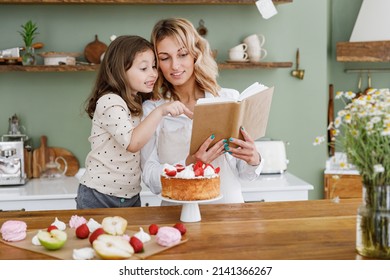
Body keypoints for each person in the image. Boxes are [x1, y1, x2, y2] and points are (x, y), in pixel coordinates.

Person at [141, 18, 263, 204]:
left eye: (182, 54)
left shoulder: (229, 98)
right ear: (157, 63)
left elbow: (246, 174)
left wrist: (253, 159)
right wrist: (188, 165)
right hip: (176, 213)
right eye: (165, 58)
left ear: (195, 54)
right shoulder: (153, 109)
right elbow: (149, 176)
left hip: (228, 211)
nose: (175, 66)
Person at [77, 35, 191, 209]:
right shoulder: (110, 101)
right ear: (119, 71)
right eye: (144, 68)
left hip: (129, 195)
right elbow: (132, 142)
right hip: (99, 195)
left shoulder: (136, 101)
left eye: (154, 66)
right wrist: (160, 110)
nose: (153, 73)